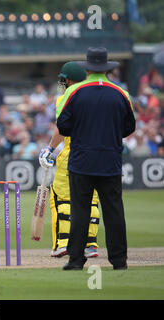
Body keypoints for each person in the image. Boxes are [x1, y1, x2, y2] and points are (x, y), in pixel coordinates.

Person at [56, 47, 136, 270]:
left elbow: (63, 126)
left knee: (80, 210)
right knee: (114, 212)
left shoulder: (73, 93)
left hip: (81, 160)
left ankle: (75, 260)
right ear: (107, 69)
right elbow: (129, 127)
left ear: (87, 68)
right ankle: (119, 261)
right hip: (110, 161)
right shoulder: (121, 94)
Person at [39, 62, 100, 259]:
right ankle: (90, 245)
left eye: (64, 80)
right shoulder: (102, 95)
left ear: (71, 80)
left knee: (62, 198)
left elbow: (62, 127)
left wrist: (50, 148)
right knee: (91, 199)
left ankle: (63, 243)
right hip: (99, 155)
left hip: (73, 153)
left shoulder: (67, 96)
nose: (62, 83)